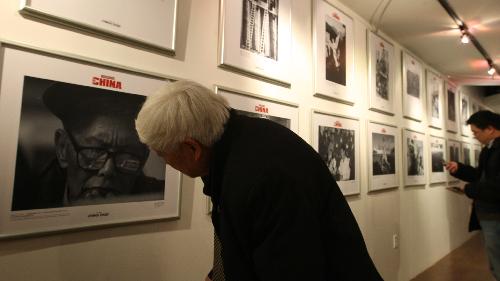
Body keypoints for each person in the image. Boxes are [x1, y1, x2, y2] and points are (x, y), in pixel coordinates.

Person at [135, 80, 383, 281]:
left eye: (162, 154)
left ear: (192, 148)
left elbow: (291, 270)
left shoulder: (259, 176)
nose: (164, 163)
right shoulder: (241, 143)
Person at [12, 82, 164, 210]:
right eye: (94, 152)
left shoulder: (159, 199)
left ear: (143, 157)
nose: (108, 170)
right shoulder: (22, 202)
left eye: (127, 155)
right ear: (63, 148)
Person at [445, 110, 500, 280]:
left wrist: (468, 189)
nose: (475, 136)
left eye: (476, 132)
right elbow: (480, 175)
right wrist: (459, 169)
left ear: (490, 129)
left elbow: (495, 187)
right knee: (494, 259)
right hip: (488, 212)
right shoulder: (489, 150)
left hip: (495, 213)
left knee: (497, 259)